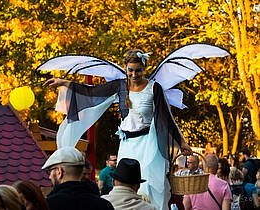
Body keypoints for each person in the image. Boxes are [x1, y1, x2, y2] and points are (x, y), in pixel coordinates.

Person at [44, 49, 192, 209]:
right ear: (126, 68)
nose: (134, 74)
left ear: (144, 69)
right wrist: (65, 83)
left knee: (149, 186)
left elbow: (166, 118)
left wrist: (182, 142)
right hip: (127, 144)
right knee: (123, 185)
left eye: (138, 70)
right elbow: (93, 92)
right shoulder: (120, 86)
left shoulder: (154, 88)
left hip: (148, 144)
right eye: (131, 70)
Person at [42, 146, 114, 210]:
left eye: (50, 171)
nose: (50, 176)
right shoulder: (104, 205)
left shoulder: (46, 205)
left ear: (59, 171)